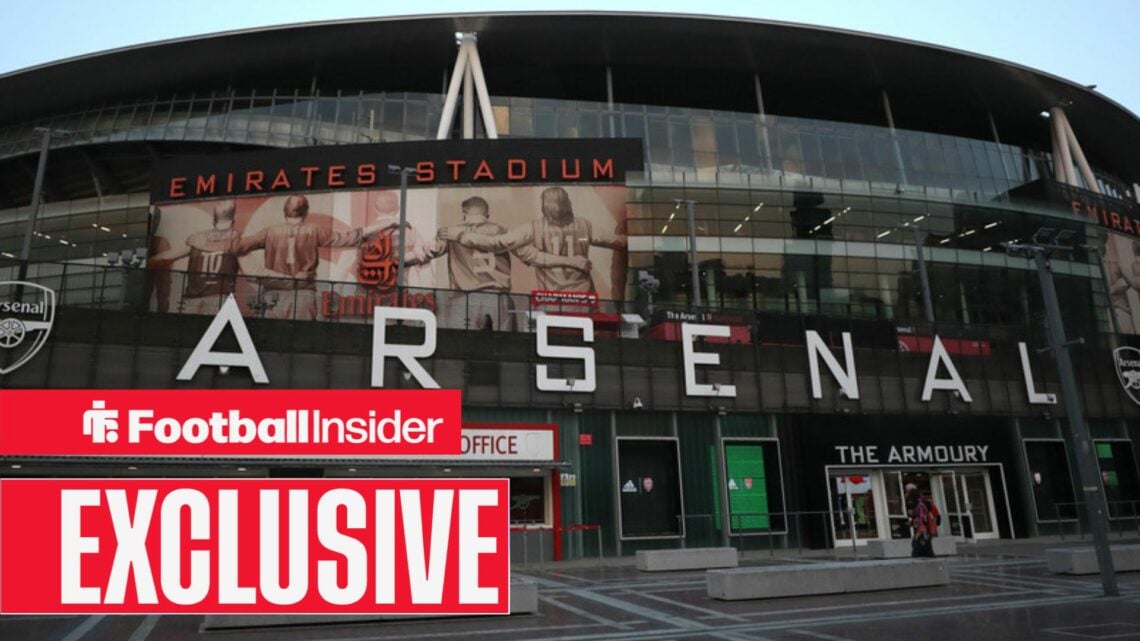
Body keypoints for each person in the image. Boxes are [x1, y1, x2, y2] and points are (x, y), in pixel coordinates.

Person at [418, 195, 589, 330]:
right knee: (504, 352)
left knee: (460, 355)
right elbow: (533, 256)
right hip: (498, 299)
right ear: (487, 215)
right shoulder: (503, 231)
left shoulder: (450, 232)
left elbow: (431, 250)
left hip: (463, 300)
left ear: (464, 213)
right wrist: (571, 261)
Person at [439, 186, 625, 294]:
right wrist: (651, 241)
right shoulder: (585, 225)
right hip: (584, 296)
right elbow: (619, 242)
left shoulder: (532, 227)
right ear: (569, 203)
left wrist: (462, 235)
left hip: (549, 299)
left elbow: (498, 243)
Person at [233, 194, 387, 320]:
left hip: (273, 296)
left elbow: (238, 247)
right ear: (306, 212)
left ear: (284, 212)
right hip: (303, 296)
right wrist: (384, 225)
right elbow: (349, 238)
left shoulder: (269, 232)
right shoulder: (314, 231)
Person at [149, 200, 241, 315]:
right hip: (194, 297)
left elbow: (250, 268)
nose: (223, 202)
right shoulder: (198, 238)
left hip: (217, 297)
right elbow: (166, 256)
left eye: (227, 202)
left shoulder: (236, 240)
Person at [910, 488, 940, 558]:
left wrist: (919, 531)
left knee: (917, 544)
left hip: (923, 528)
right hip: (926, 528)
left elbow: (922, 518)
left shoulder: (919, 505)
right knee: (926, 545)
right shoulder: (924, 503)